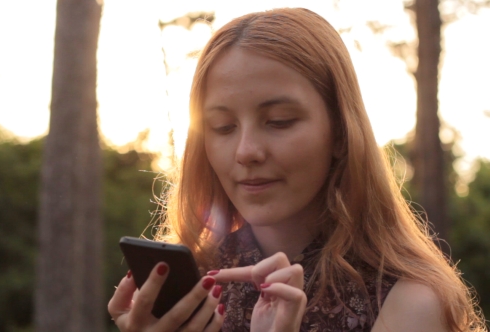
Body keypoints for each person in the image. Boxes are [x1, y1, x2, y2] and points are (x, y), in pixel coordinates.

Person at [108, 7, 486, 332]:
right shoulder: (194, 286)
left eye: (280, 121)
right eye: (223, 127)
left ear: (341, 132)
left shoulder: (407, 303)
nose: (246, 152)